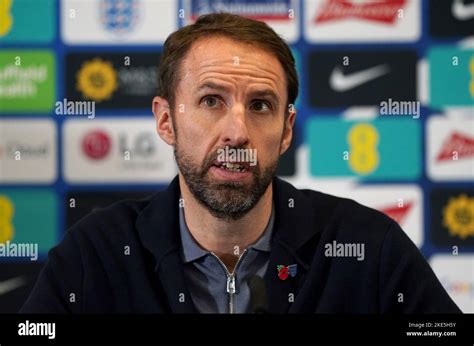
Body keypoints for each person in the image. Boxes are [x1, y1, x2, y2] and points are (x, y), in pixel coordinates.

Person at [21, 13, 460, 314]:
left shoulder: (370, 249)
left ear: (286, 131)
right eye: (211, 101)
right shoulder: (94, 254)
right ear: (165, 120)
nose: (237, 132)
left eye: (261, 105)